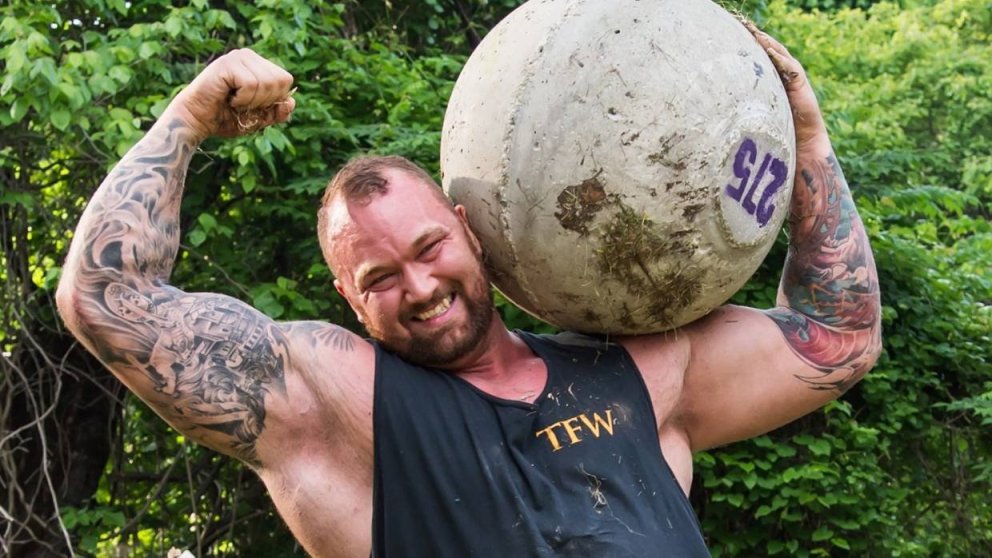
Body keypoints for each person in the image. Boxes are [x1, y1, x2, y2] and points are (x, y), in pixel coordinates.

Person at [56, 24, 881, 558]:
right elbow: (104, 297)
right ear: (348, 298)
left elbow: (839, 335)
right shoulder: (339, 407)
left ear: (469, 230)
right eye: (380, 278)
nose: (419, 287)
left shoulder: (636, 373)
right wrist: (188, 118)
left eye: (429, 248)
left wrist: (806, 136)